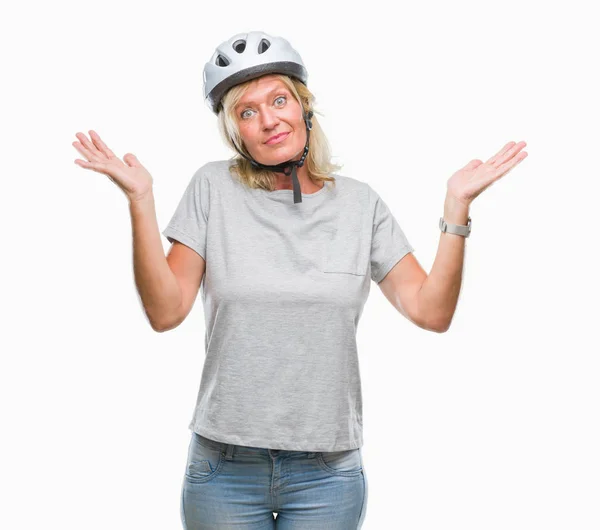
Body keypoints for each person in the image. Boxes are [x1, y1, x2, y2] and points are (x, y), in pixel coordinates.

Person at [72, 30, 527, 530]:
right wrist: (140, 201)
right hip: (224, 466)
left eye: (279, 100)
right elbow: (165, 312)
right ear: (235, 131)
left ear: (304, 108)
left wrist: (455, 210)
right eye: (247, 111)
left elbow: (431, 311)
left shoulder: (359, 204)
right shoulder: (211, 188)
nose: (269, 120)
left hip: (327, 474)